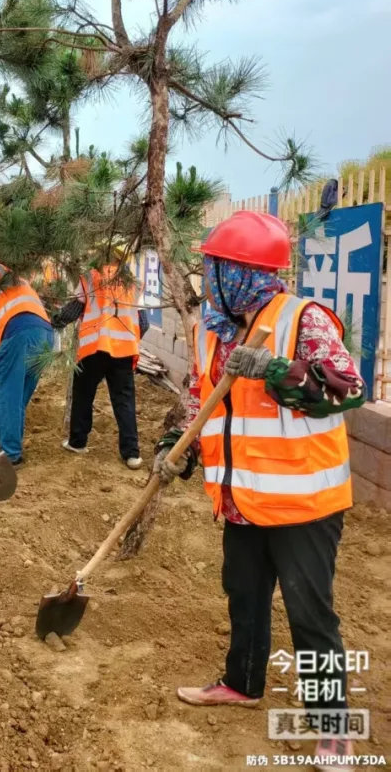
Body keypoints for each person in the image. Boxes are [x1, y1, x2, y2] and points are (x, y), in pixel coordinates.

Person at [153, 212, 364, 771]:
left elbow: (346, 389)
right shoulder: (216, 328)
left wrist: (276, 369)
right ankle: (242, 683)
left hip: (302, 505)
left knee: (309, 615)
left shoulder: (303, 319)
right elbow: (207, 400)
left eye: (215, 267)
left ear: (242, 272)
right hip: (242, 499)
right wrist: (178, 444)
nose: (208, 277)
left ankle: (333, 727)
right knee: (244, 598)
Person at [52, 254, 144, 469]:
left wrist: (56, 320)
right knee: (124, 401)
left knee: (83, 395)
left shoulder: (90, 277)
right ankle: (131, 454)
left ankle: (78, 442)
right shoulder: (134, 283)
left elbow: (73, 310)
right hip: (123, 350)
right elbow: (145, 322)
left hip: (94, 347)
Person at [0, 260, 54, 465]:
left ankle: (10, 455)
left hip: (20, 333)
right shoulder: (12, 274)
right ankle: (12, 448)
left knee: (5, 394)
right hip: (44, 336)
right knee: (18, 397)